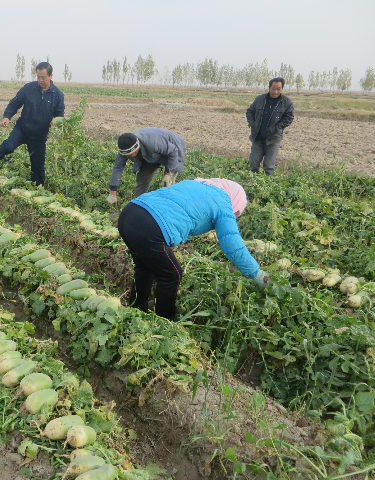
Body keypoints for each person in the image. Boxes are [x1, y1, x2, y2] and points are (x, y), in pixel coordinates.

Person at [117, 178, 270, 320]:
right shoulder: (224, 201)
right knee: (171, 275)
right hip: (149, 226)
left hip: (130, 213)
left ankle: (136, 307)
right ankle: (163, 321)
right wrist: (256, 273)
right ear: (236, 201)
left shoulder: (196, 184)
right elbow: (233, 245)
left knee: (144, 267)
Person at [0, 62, 65, 186]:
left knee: (38, 166)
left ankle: (38, 189)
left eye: (43, 77)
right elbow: (15, 103)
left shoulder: (57, 95)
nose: (40, 80)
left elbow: (59, 114)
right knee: (8, 146)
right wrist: (7, 116)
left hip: (39, 136)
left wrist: (59, 123)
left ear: (51, 76)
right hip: (22, 129)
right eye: (38, 77)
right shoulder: (29, 88)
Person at [107, 128, 186, 204]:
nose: (127, 157)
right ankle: (138, 202)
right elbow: (118, 167)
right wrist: (112, 193)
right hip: (150, 155)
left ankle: (168, 205)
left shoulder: (153, 143)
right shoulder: (125, 148)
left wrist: (168, 174)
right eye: (125, 155)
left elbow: (173, 151)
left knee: (168, 184)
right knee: (142, 177)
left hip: (172, 146)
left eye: (129, 154)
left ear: (136, 148)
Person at [246, 77, 294, 175]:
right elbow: (250, 111)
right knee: (253, 164)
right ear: (269, 88)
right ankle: (252, 183)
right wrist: (252, 123)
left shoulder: (287, 102)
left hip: (273, 139)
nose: (275, 91)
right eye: (273, 88)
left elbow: (289, 117)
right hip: (258, 137)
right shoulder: (260, 99)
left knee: (268, 167)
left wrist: (278, 127)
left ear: (282, 89)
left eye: (278, 89)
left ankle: (266, 187)